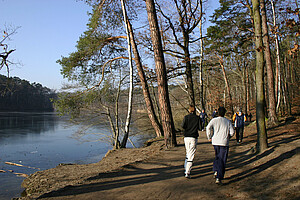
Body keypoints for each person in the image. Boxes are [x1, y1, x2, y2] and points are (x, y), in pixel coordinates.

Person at [206, 107, 234, 185]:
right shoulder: (227, 121)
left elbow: (208, 127)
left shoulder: (214, 120)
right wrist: (229, 137)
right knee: (222, 159)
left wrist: (209, 137)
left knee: (217, 156)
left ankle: (215, 170)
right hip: (224, 142)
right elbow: (232, 132)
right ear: (224, 113)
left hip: (215, 141)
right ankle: (219, 176)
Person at [182, 105, 202, 179]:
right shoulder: (197, 118)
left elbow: (183, 126)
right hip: (193, 136)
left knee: (188, 152)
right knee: (191, 154)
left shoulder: (186, 117)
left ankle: (185, 167)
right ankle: (187, 172)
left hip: (186, 137)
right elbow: (200, 128)